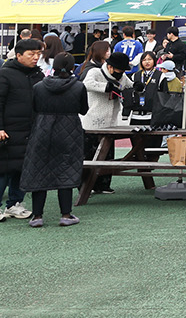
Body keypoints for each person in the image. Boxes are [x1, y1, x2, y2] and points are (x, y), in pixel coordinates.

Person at [20, 52, 88, 226]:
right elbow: (83, 110)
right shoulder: (78, 87)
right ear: (72, 67)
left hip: (43, 128)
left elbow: (34, 108)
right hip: (69, 129)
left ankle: (37, 216)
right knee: (66, 170)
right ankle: (66, 214)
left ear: (54, 66)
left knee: (39, 169)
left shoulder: (39, 86)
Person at [0, 38, 43, 221]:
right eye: (31, 54)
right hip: (8, 131)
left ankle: (15, 204)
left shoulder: (38, 75)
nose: (36, 57)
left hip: (30, 130)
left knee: (23, 168)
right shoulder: (5, 74)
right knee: (4, 170)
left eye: (38, 54)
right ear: (18, 55)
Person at [80, 51, 134, 196]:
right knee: (89, 155)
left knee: (108, 154)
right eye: (119, 70)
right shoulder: (95, 72)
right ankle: (84, 185)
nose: (121, 73)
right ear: (110, 67)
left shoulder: (122, 76)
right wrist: (106, 87)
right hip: (92, 122)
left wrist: (137, 86)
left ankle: (103, 185)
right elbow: (86, 84)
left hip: (111, 122)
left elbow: (129, 85)